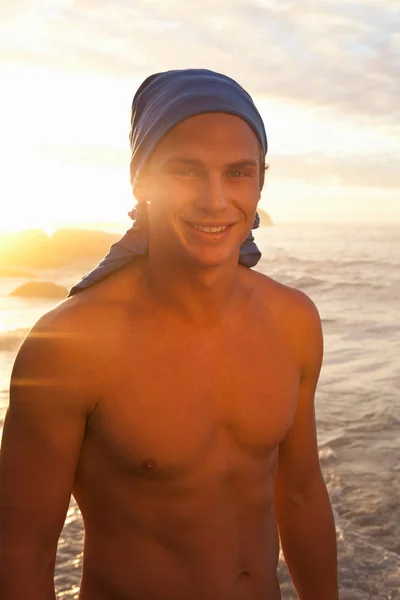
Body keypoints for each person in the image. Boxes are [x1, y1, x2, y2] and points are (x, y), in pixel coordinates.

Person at [0, 69, 338, 599]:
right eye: (185, 171)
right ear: (141, 181)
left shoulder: (293, 321)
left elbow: (299, 495)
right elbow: (22, 551)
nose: (213, 199)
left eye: (237, 173)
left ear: (259, 184)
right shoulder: (70, 347)